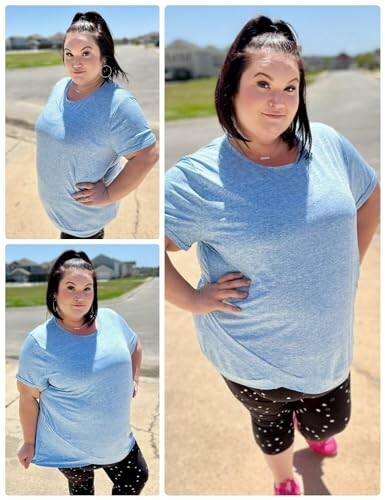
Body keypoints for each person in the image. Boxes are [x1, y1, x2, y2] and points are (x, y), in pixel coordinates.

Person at [165, 15, 380, 496]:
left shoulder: (326, 145)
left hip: (327, 351)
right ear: (231, 88)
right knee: (271, 425)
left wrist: (353, 262)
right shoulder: (197, 178)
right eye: (262, 83)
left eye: (290, 86)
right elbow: (146, 248)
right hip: (250, 358)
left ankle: (317, 437)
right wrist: (192, 300)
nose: (278, 100)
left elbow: (370, 195)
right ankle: (283, 479)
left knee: (330, 424)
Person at [16, 250, 148, 495]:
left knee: (136, 476)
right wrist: (29, 443)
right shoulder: (39, 343)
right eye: (70, 287)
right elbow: (28, 397)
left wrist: (134, 378)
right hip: (69, 446)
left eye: (88, 288)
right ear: (54, 291)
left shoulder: (112, 319)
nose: (80, 297)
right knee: (82, 489)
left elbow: (135, 345)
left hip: (115, 439)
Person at [36, 11, 158, 239]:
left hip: (84, 225)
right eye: (68, 53)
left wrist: (109, 194)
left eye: (86, 53)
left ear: (104, 57)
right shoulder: (61, 86)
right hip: (61, 218)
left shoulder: (118, 104)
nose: (75, 63)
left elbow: (147, 155)